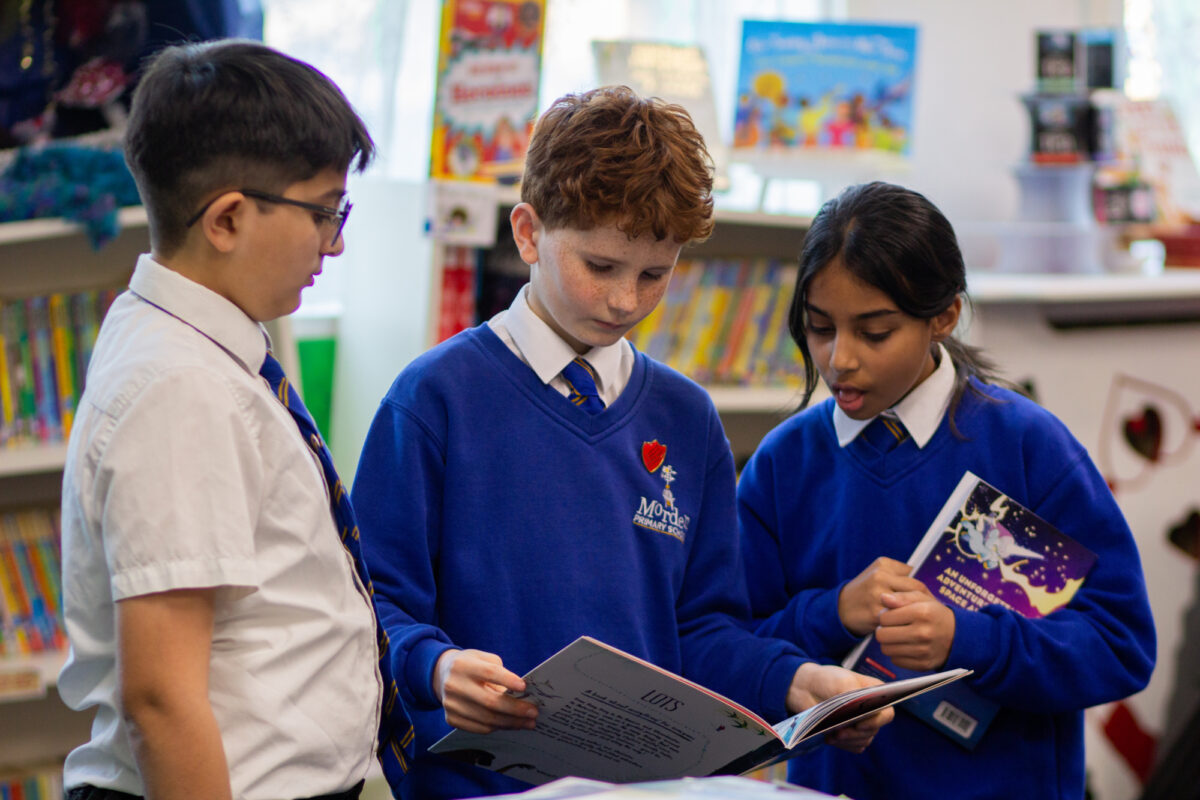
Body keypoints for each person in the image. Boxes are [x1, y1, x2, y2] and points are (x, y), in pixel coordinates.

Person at [351, 86, 892, 799]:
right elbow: (369, 605)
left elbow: (702, 629)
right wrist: (435, 668)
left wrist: (796, 680)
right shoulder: (434, 399)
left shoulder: (686, 416)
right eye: (600, 266)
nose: (625, 301)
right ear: (527, 233)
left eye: (654, 275)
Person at [57, 40, 413, 800]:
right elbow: (162, 699)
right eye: (322, 212)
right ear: (225, 219)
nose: (337, 241)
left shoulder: (201, 346)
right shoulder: (180, 388)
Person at [736, 180, 1156, 800]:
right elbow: (731, 648)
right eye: (820, 327)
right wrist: (831, 614)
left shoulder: (1028, 447)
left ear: (944, 315)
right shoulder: (781, 465)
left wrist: (968, 640)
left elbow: (1120, 643)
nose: (839, 360)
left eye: (874, 332)